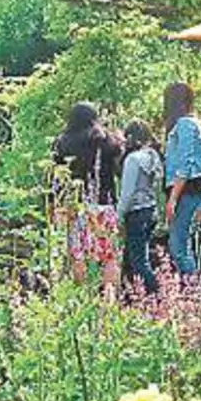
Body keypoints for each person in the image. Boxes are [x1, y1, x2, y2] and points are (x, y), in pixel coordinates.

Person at [52, 102, 123, 291]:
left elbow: (56, 179)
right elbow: (119, 163)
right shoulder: (105, 139)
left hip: (76, 206)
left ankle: (82, 297)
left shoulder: (62, 142)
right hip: (103, 205)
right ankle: (110, 299)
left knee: (78, 254)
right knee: (109, 256)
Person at [163, 83, 201, 276]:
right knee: (182, 243)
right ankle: (192, 289)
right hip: (189, 189)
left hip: (186, 190)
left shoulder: (185, 124)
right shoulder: (191, 124)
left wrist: (173, 198)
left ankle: (193, 291)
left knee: (178, 246)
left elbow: (185, 164)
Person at [116, 119, 162, 296]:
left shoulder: (132, 160)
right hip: (150, 210)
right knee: (133, 257)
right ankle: (131, 296)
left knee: (139, 262)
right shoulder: (153, 157)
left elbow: (127, 192)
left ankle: (157, 293)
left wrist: (119, 215)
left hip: (135, 213)